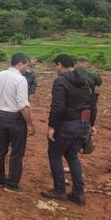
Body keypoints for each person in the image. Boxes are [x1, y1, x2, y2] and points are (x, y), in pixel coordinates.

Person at [41, 54, 94, 205]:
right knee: (72, 156)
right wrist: (92, 124)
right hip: (84, 123)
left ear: (59, 65)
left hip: (67, 124)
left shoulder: (61, 81)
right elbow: (93, 103)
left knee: (55, 154)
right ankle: (78, 193)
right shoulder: (86, 80)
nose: (55, 69)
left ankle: (59, 190)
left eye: (55, 66)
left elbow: (58, 106)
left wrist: (52, 126)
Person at [0, 52, 36, 194]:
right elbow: (22, 105)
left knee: (1, 148)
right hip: (15, 118)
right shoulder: (21, 80)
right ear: (20, 63)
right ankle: (12, 184)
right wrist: (30, 124)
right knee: (17, 152)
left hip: (1, 116)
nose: (27, 68)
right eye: (26, 64)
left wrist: (1, 100)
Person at [74, 56, 102, 137]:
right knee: (90, 114)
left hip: (75, 98)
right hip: (89, 99)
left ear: (78, 62)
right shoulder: (91, 72)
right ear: (86, 63)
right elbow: (99, 82)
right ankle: (90, 128)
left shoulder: (72, 72)